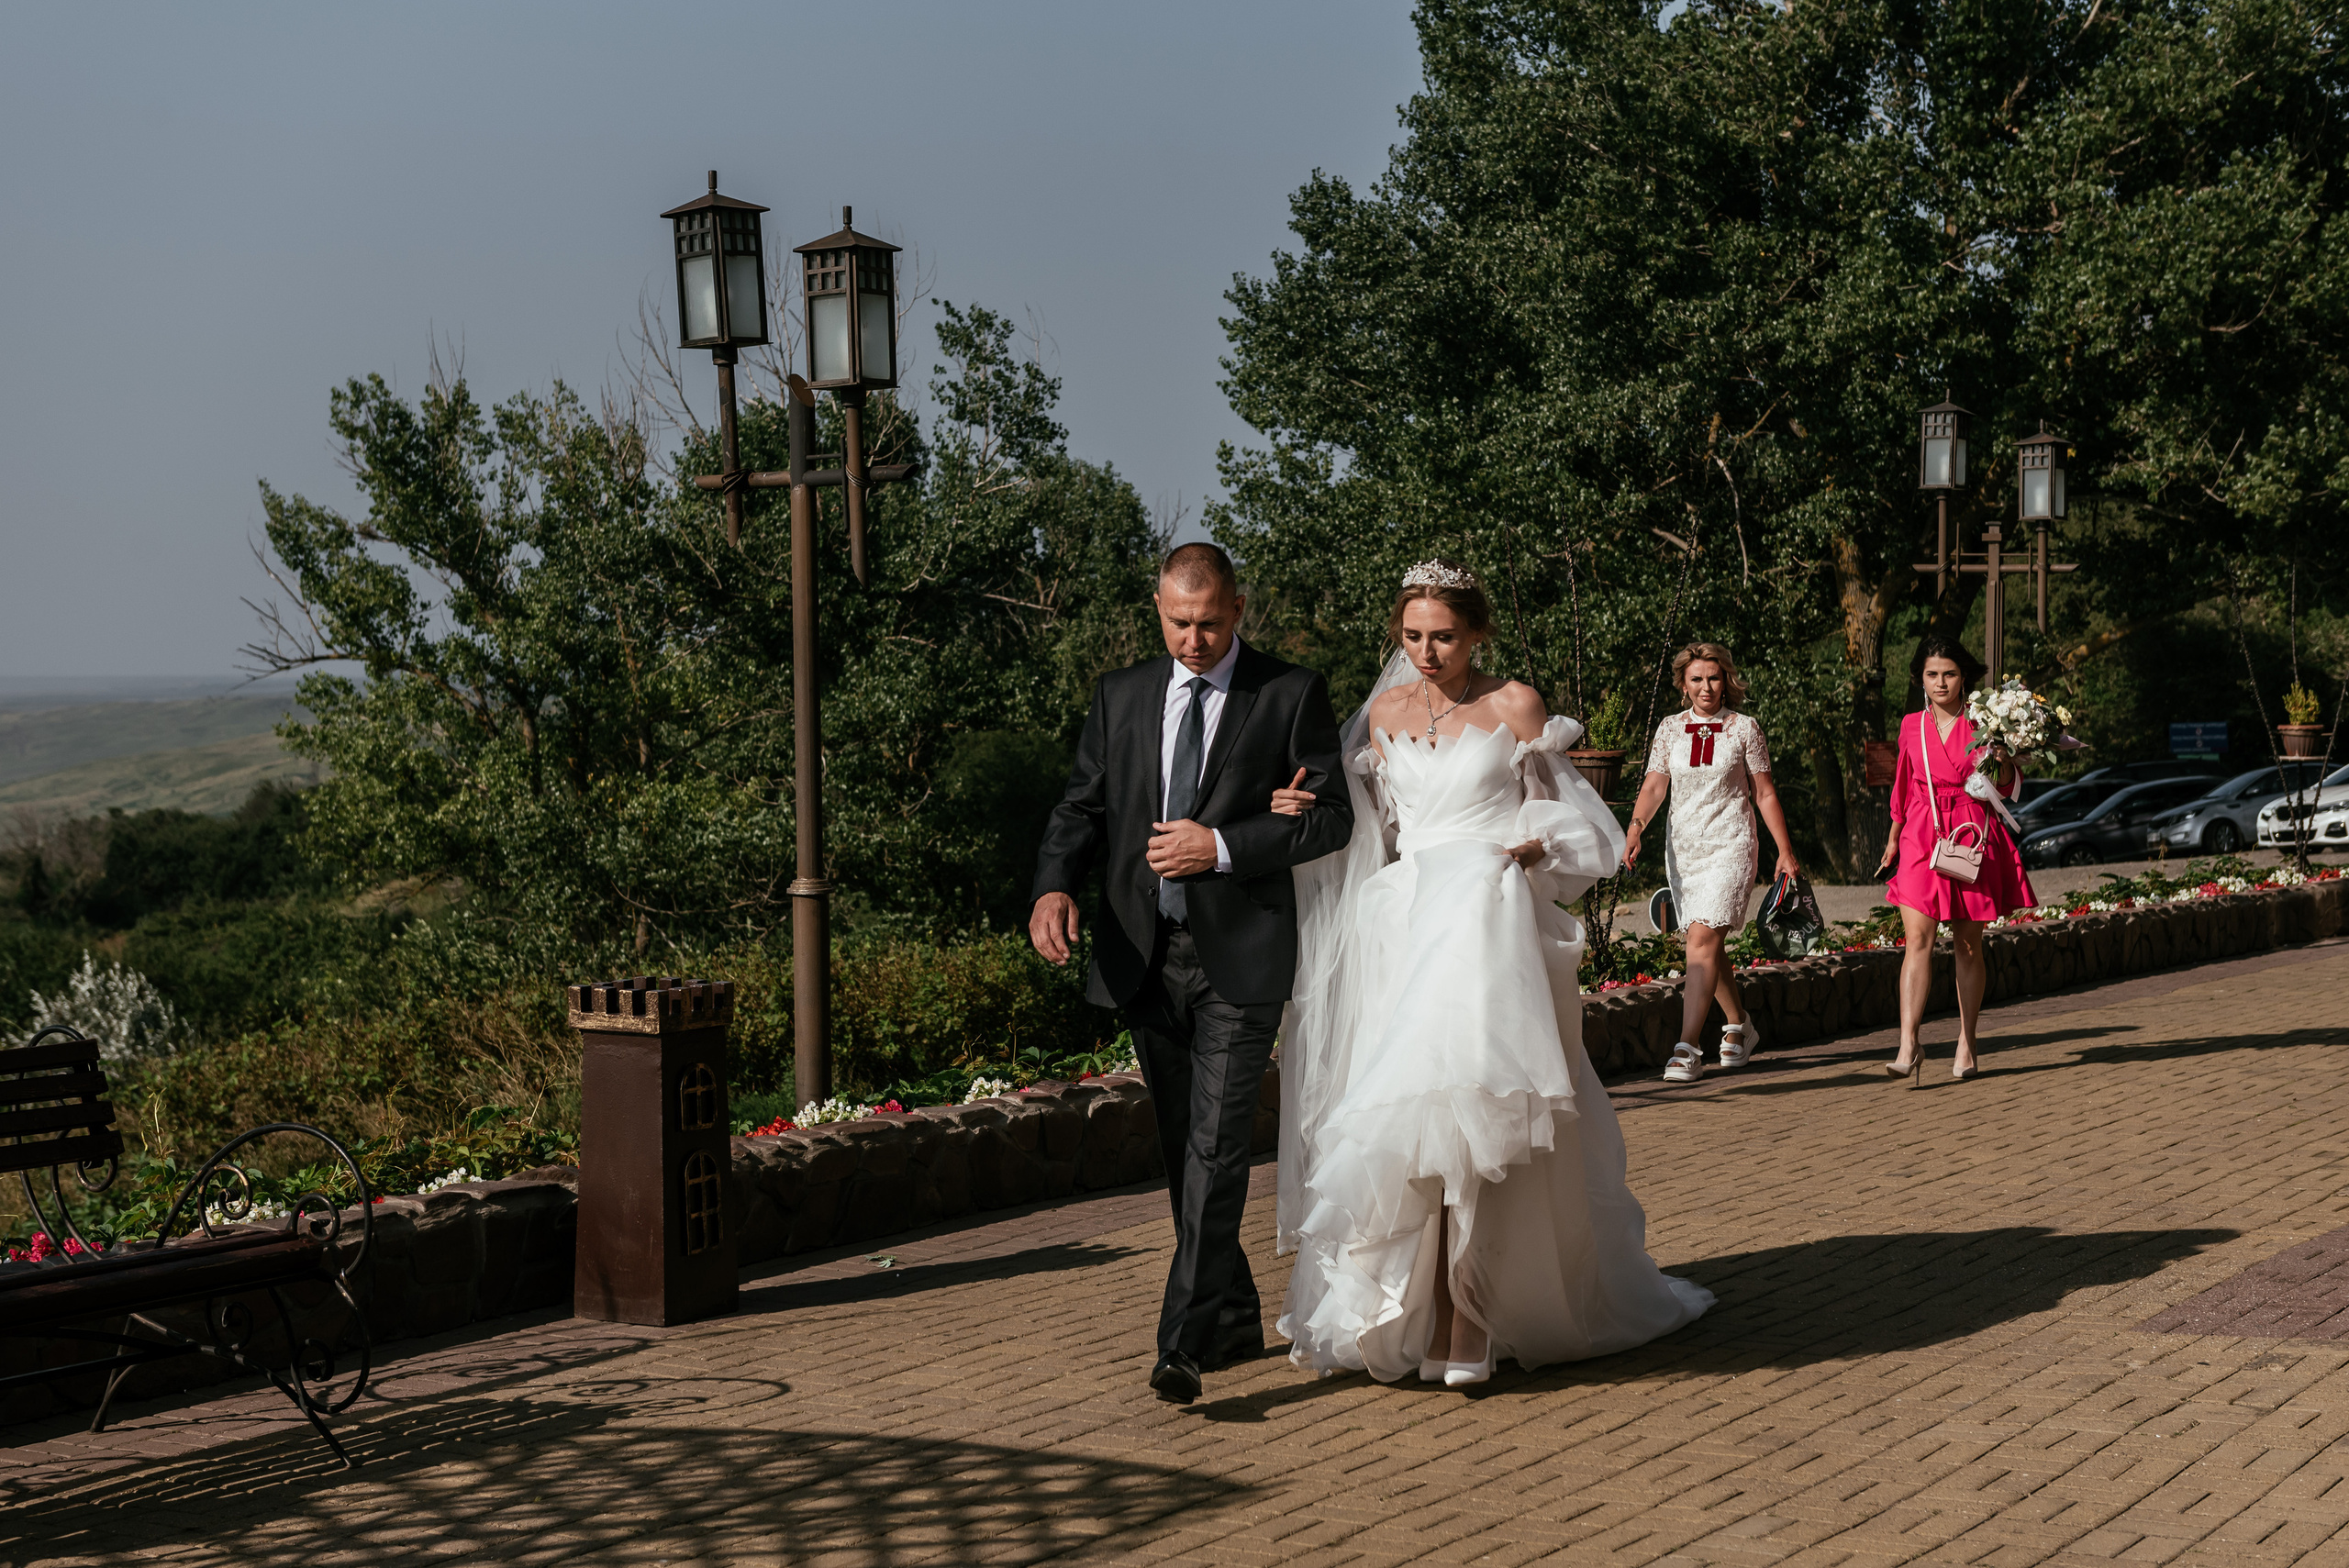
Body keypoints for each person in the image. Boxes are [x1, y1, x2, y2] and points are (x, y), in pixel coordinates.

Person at [1271, 560, 1711, 1388]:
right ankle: (1428, 1309)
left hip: (1486, 922)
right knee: (1411, 1128)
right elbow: (1374, 831)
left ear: (1477, 631)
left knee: (1480, 1116)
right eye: (1412, 636)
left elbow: (1577, 822)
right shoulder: (1383, 715)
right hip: (1404, 927)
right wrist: (1307, 812)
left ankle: (1470, 1314)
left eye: (1443, 636)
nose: (1427, 652)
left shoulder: (1516, 706)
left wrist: (1535, 846)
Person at [1030, 541, 1353, 1407]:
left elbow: (1331, 819)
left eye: (1210, 623)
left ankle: (1182, 1342)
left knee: (1216, 1144)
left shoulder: (1289, 693)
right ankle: (1235, 1310)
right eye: (1179, 623)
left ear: (1238, 610)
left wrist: (1222, 845)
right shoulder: (1122, 694)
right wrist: (1053, 886)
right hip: (1144, 954)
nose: (1194, 640)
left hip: (1243, 958)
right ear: (1159, 609)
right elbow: (1080, 805)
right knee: (1184, 1149)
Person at [1621, 643, 1801, 1084]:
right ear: (1684, 685)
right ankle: (1739, 1025)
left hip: (1731, 845)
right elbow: (1654, 786)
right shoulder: (1669, 729)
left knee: (1701, 938)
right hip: (1685, 851)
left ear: (1726, 681)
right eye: (1697, 679)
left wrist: (1784, 851)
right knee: (1706, 942)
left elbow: (1764, 793)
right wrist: (1636, 827)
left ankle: (1687, 1048)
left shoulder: (1744, 728)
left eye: (1714, 678)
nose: (1706, 687)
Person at [1874, 636, 2033, 1081]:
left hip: (1970, 832)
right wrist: (1893, 838)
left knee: (1966, 945)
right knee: (1917, 941)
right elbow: (1903, 784)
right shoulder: (1911, 724)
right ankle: (1908, 1044)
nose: (1940, 682)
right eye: (1932, 674)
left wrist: (2003, 757)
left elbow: (2006, 786)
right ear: (1920, 679)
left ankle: (1967, 1041)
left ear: (1964, 678)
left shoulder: (1985, 722)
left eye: (1949, 674)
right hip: (1921, 834)